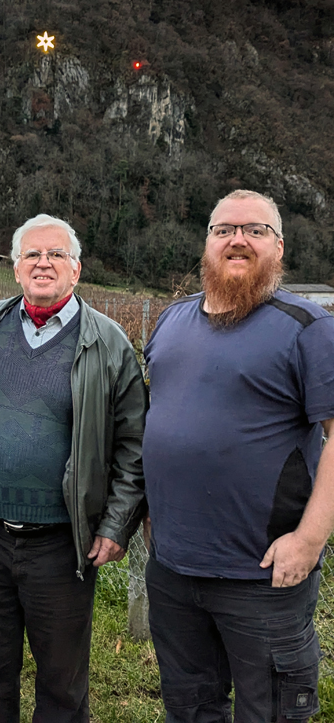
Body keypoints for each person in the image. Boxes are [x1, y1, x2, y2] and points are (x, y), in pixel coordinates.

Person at [143, 189, 334, 722]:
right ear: (207, 243)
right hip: (174, 567)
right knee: (190, 706)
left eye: (254, 230)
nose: (238, 239)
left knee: (269, 711)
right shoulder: (172, 322)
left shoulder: (307, 328)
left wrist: (310, 539)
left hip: (262, 574)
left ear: (278, 247)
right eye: (224, 229)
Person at [0, 213, 147, 723]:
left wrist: (115, 524)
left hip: (62, 544)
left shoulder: (109, 344)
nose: (44, 263)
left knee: (62, 685)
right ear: (16, 269)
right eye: (32, 254)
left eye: (56, 254)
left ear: (76, 270)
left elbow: (135, 445)